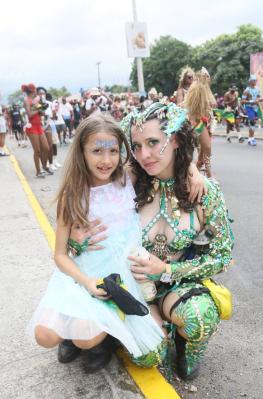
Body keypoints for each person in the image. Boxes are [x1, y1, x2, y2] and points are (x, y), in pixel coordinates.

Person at [69, 103, 233, 380]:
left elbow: (222, 256)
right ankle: (121, 331)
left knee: (198, 316)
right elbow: (84, 199)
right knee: (148, 357)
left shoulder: (205, 191)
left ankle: (185, 346)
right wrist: (77, 240)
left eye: (154, 142)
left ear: (176, 139)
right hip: (131, 287)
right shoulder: (127, 183)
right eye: (137, 145)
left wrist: (167, 271)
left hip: (177, 285)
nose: (144, 154)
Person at [28, 115, 167, 373]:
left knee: (86, 337)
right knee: (44, 336)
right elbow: (60, 256)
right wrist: (85, 275)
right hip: (83, 276)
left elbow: (160, 155)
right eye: (96, 151)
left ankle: (102, 339)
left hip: (118, 275)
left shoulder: (128, 177)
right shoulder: (72, 195)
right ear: (81, 151)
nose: (106, 160)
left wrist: (193, 170)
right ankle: (74, 332)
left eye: (113, 151)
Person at [21, 83, 53, 177]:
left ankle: (44, 167)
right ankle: (38, 171)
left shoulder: (35, 101)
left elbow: (41, 113)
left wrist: (43, 108)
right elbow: (30, 114)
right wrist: (38, 110)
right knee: (37, 151)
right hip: (31, 127)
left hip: (39, 126)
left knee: (46, 148)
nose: (36, 91)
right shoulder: (26, 101)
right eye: (35, 90)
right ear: (33, 91)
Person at [242, 75, 260, 146]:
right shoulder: (246, 91)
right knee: (252, 122)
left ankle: (250, 139)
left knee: (253, 123)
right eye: (254, 80)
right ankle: (252, 139)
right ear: (250, 81)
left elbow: (258, 98)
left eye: (256, 80)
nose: (255, 81)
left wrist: (261, 102)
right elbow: (242, 101)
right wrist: (251, 101)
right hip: (249, 108)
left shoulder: (257, 90)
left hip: (255, 108)